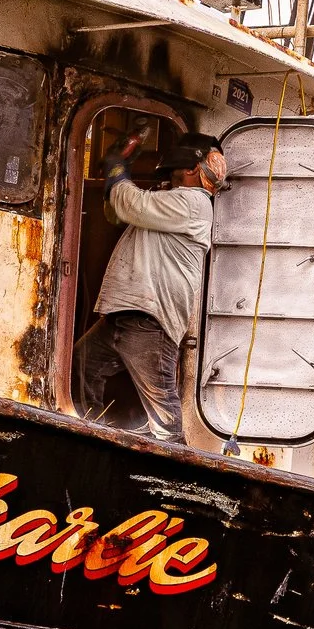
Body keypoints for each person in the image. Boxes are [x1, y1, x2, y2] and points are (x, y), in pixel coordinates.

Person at [73, 132, 227, 444]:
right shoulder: (172, 203)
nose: (172, 176)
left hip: (149, 322)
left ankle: (177, 478)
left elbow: (131, 204)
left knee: (164, 418)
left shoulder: (194, 203)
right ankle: (93, 440)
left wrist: (117, 168)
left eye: (175, 171)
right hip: (128, 316)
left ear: (191, 169)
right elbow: (118, 210)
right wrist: (116, 184)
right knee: (80, 367)